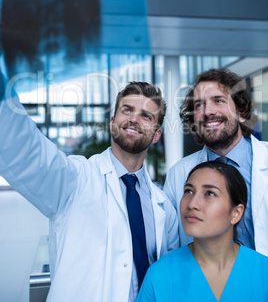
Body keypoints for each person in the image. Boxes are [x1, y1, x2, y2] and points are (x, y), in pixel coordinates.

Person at [0, 76, 179, 302]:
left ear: (156, 135)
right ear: (113, 121)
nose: (134, 119)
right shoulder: (75, 180)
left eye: (146, 116)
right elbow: (26, 151)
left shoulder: (164, 208)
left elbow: (169, 276)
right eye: (127, 110)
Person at [164, 68, 268, 255]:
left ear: (242, 112)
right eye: (198, 105)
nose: (208, 112)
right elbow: (171, 248)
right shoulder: (178, 175)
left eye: (218, 101)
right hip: (204, 282)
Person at [137, 161, 268, 302]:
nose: (192, 204)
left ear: (236, 213)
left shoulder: (263, 273)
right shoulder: (159, 276)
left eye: (210, 193)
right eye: (188, 191)